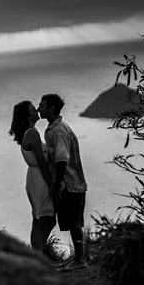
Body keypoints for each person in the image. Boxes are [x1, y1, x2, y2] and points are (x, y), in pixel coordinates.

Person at [38, 93, 89, 272]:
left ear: (51, 108)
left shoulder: (58, 131)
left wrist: (57, 184)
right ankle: (79, 257)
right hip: (70, 183)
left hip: (70, 184)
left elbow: (61, 159)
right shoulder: (54, 129)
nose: (39, 109)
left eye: (42, 106)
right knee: (72, 221)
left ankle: (80, 259)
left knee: (74, 223)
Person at [9, 101, 57, 253]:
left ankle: (38, 253)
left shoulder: (30, 132)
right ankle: (37, 256)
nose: (36, 110)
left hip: (35, 177)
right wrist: (52, 185)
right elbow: (42, 163)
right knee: (40, 219)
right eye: (32, 109)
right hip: (39, 179)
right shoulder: (32, 133)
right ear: (27, 115)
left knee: (48, 218)